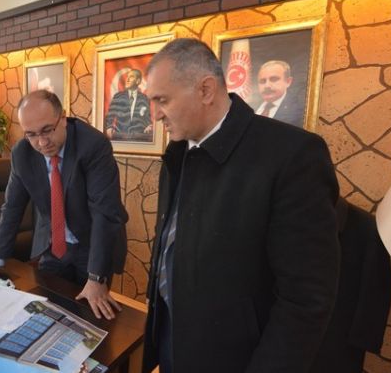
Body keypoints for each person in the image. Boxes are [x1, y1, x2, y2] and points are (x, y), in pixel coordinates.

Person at [142, 39, 339, 372]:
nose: (155, 114)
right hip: (172, 338)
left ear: (205, 90)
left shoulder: (292, 155)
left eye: (162, 100)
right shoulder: (179, 151)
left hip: (236, 358)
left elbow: (306, 298)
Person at [0, 90, 128, 320]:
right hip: (53, 245)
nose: (41, 142)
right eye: (31, 134)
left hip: (93, 244)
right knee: (46, 312)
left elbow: (104, 213)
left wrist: (96, 278)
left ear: (63, 118)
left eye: (47, 130)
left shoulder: (93, 145)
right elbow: (12, 208)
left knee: (92, 317)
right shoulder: (22, 153)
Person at [104, 69, 153, 141]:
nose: (127, 79)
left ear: (138, 81)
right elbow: (110, 115)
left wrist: (149, 126)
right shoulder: (118, 97)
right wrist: (109, 127)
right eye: (127, 76)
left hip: (139, 139)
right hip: (120, 138)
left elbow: (147, 118)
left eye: (131, 77)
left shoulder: (144, 98)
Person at [254, 60, 304, 127]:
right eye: (262, 81)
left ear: (288, 82)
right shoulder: (252, 106)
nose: (267, 85)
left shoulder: (299, 112)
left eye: (274, 79)